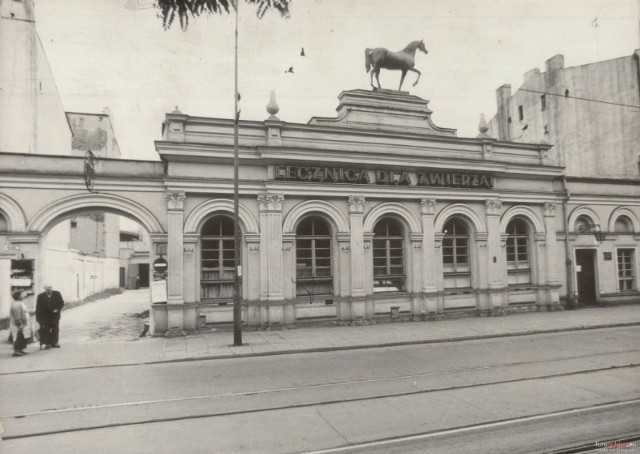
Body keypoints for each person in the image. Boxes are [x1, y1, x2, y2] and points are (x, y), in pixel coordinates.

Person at [36, 284, 64, 349]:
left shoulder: (57, 294)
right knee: (46, 329)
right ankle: (47, 343)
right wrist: (38, 318)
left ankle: (55, 342)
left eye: (50, 287)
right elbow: (38, 307)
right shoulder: (40, 296)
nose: (49, 289)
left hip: (55, 315)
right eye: (47, 288)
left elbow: (61, 303)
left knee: (55, 328)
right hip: (45, 316)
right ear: (45, 288)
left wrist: (57, 309)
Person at [9, 291, 29, 357]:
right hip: (17, 324)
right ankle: (16, 351)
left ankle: (20, 350)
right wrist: (20, 324)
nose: (24, 295)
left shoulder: (19, 303)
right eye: (22, 294)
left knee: (21, 337)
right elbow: (17, 316)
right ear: (18, 296)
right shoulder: (16, 304)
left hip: (22, 323)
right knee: (17, 337)